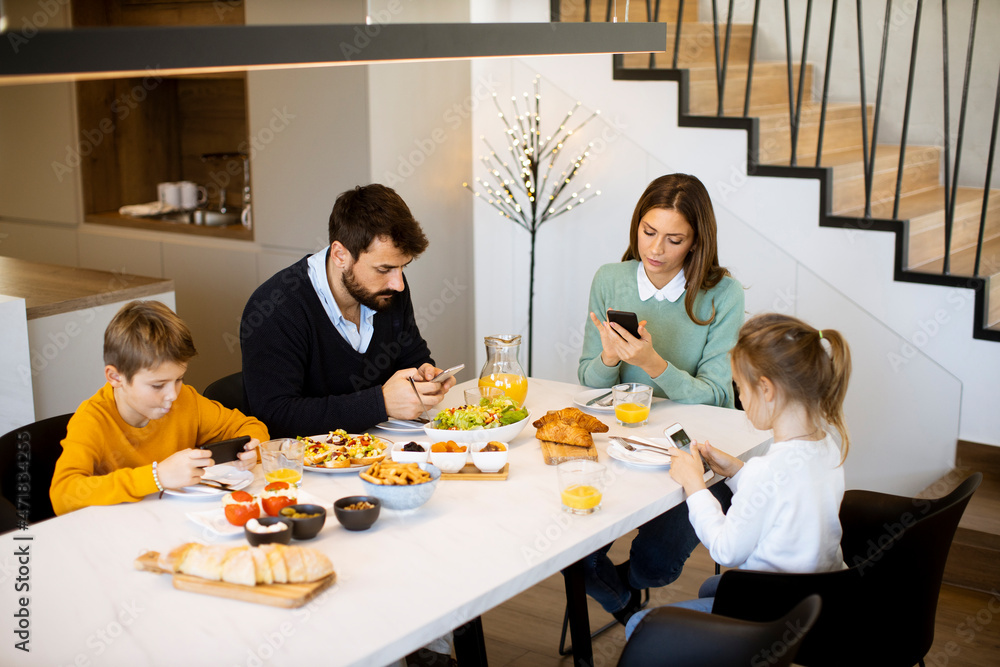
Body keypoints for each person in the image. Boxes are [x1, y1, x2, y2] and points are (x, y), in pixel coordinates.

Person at [576, 173, 745, 624]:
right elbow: (587, 380)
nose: (655, 249)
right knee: (572, 549)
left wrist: (654, 365)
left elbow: (716, 395)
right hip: (619, 439)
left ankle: (630, 592)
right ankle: (625, 604)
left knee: (656, 562)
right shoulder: (610, 278)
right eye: (648, 232)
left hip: (692, 444)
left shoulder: (722, 294)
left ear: (696, 242)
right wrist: (609, 359)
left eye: (674, 239)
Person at [626, 313, 852, 637]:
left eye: (740, 387)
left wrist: (694, 485)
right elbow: (781, 495)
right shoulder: (827, 445)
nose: (740, 398)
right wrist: (736, 471)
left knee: (640, 626)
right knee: (711, 586)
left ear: (766, 389)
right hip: (822, 594)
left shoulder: (769, 470)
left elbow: (726, 549)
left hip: (773, 613)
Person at [240, 184, 457, 438]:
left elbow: (411, 356)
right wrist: (381, 404)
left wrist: (425, 378)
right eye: (384, 269)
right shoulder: (276, 307)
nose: (398, 284)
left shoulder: (388, 290)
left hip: (381, 451)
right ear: (340, 254)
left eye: (403, 268)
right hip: (304, 468)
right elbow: (275, 417)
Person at [50, 301, 267, 515]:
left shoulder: (185, 399)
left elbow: (250, 426)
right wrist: (157, 476)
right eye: (157, 385)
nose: (172, 395)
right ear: (115, 377)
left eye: (179, 379)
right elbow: (63, 495)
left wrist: (252, 449)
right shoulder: (92, 419)